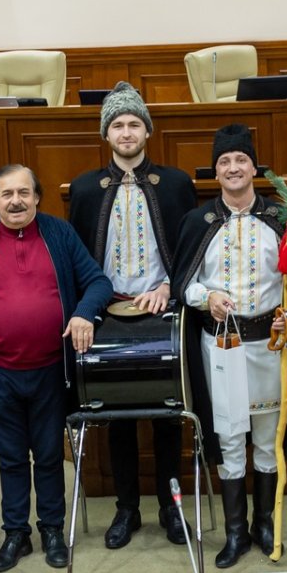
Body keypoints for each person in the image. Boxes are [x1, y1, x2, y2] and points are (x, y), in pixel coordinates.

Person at [0, 165, 113, 573]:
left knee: (49, 455)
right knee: (9, 458)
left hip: (51, 371)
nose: (16, 201)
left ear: (37, 197)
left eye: (24, 192)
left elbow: (98, 283)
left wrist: (84, 313)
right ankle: (16, 534)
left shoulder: (59, 233)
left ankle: (52, 530)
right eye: (6, 194)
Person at [66, 82, 198, 549]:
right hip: (107, 312)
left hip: (161, 308)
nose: (126, 132)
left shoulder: (176, 183)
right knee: (117, 411)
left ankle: (170, 506)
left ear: (147, 131)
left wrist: (169, 287)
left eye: (134, 124)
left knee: (167, 413)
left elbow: (191, 247)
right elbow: (77, 256)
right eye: (118, 125)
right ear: (106, 134)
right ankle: (126, 508)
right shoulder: (85, 189)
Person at [176, 124, 287, 568]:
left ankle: (265, 524)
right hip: (222, 346)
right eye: (224, 162)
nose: (233, 167)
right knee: (229, 437)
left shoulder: (281, 218)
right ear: (216, 172)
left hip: (271, 345)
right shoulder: (199, 222)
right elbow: (184, 284)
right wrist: (207, 298)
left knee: (267, 437)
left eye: (241, 159)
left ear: (254, 167)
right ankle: (235, 533)